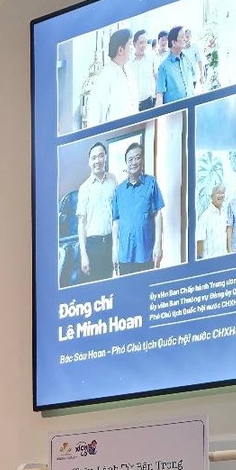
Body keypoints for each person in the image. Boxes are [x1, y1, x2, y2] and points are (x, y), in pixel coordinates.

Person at [110, 141, 164, 273]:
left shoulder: (151, 183)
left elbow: (157, 215)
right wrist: (114, 250)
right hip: (124, 254)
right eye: (130, 159)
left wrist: (158, 245)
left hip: (145, 252)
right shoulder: (119, 190)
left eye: (137, 158)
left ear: (143, 160)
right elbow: (116, 222)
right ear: (126, 163)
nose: (134, 162)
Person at [76, 141, 117, 281]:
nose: (97, 161)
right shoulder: (84, 188)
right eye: (94, 158)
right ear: (89, 162)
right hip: (93, 246)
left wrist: (116, 247)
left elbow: (116, 216)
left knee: (110, 283)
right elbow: (81, 223)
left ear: (105, 157)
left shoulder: (113, 180)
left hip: (111, 241)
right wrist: (83, 254)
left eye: (100, 156)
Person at [86, 29, 139, 128]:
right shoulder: (105, 77)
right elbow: (94, 116)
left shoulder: (129, 71)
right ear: (120, 50)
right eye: (130, 44)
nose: (133, 48)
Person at [156, 25, 195, 106]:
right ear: (173, 42)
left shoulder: (187, 59)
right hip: (175, 112)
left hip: (191, 107)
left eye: (185, 36)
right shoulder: (163, 67)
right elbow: (160, 95)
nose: (185, 39)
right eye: (182, 37)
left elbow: (193, 81)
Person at [199, 179, 229, 259]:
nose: (221, 195)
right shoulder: (205, 216)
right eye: (218, 193)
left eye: (222, 193)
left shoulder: (226, 213)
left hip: (224, 258)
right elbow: (199, 242)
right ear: (211, 196)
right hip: (209, 259)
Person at [129, 30, 158, 111]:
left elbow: (157, 78)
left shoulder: (152, 57)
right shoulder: (129, 61)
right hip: (132, 104)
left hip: (148, 102)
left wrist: (157, 98)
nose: (144, 45)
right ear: (134, 44)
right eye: (141, 43)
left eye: (145, 42)